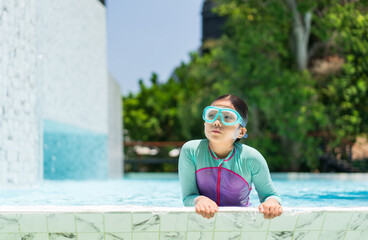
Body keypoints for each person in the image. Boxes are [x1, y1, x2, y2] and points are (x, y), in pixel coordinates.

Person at [178, 94, 283, 219]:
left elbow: (270, 195)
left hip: (239, 221)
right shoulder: (191, 151)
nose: (216, 122)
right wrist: (200, 200)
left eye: (227, 117)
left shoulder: (251, 158)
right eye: (211, 115)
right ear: (205, 122)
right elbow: (188, 197)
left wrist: (271, 203)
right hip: (202, 218)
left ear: (241, 132)